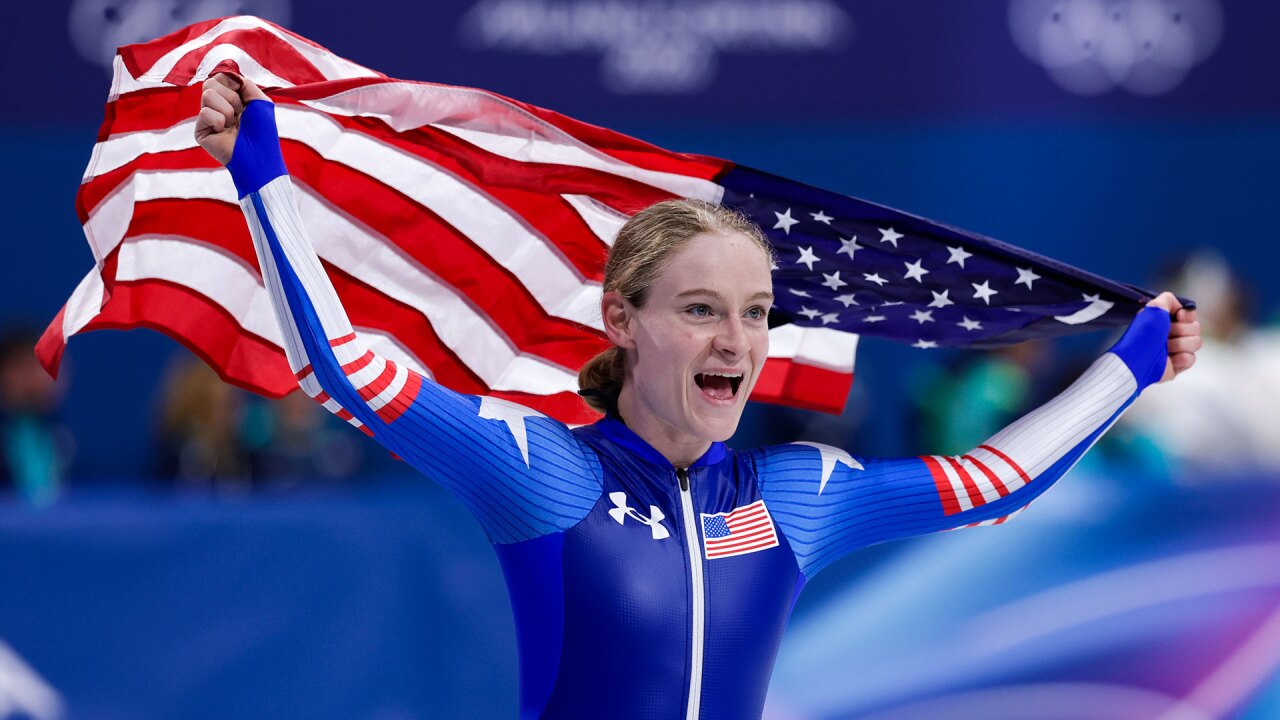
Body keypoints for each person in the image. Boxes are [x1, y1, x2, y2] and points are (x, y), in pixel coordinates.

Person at [195, 73, 1201, 720]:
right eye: (701, 310)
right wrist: (260, 178)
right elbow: (339, 363)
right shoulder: (543, 473)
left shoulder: (796, 496)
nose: (736, 342)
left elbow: (994, 480)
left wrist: (1131, 364)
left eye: (757, 313)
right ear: (622, 321)